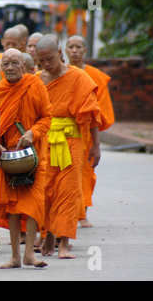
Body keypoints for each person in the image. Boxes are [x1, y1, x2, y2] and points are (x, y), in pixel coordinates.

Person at [0, 49, 51, 269]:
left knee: (33, 204)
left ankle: (29, 253)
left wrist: (33, 132)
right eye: (6, 64)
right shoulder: (0, 90)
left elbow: (47, 117)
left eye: (14, 63)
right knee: (12, 206)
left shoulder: (35, 85)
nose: (9, 68)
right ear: (1, 69)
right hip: (9, 156)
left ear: (23, 66)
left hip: (34, 154)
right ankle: (15, 256)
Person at [35, 36, 101, 259]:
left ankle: (64, 244)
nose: (46, 64)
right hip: (44, 143)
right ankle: (48, 236)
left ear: (60, 52)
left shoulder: (78, 76)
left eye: (50, 59)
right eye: (41, 60)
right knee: (45, 191)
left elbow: (92, 114)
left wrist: (96, 147)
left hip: (71, 141)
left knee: (68, 191)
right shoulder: (36, 80)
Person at [65, 35, 115, 228]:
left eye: (78, 46)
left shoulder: (96, 75)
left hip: (85, 131)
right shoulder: (60, 72)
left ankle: (83, 212)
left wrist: (95, 141)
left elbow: (99, 108)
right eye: (71, 47)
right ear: (65, 50)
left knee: (86, 173)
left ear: (85, 50)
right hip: (64, 130)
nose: (75, 50)